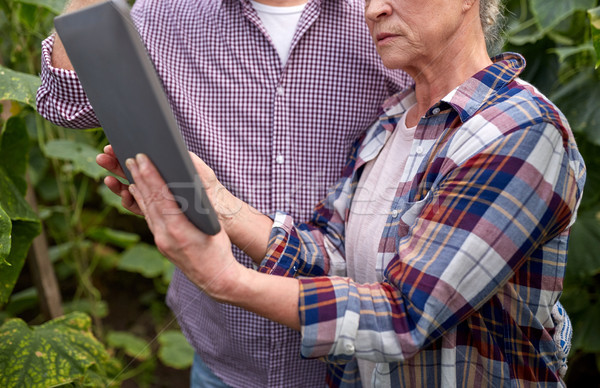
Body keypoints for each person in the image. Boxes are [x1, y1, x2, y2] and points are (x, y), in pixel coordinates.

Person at [106, 0, 586, 385]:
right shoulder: (394, 124)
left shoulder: (519, 132)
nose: (372, 9)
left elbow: (403, 317)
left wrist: (226, 280)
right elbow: (332, 258)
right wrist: (216, 202)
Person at [36, 0, 411, 386]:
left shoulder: (383, 12)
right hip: (223, 354)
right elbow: (67, 105)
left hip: (355, 359)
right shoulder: (164, 11)